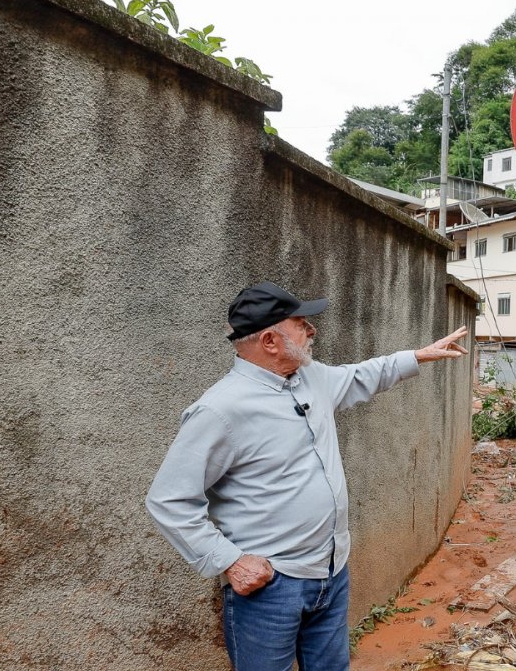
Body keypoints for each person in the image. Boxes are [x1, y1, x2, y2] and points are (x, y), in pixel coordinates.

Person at [146, 281, 469, 670]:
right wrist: (229, 561)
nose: (312, 330)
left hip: (331, 574)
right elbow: (168, 499)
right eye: (301, 323)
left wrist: (419, 355)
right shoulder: (219, 410)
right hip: (270, 588)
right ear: (270, 341)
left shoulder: (310, 379)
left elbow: (362, 375)